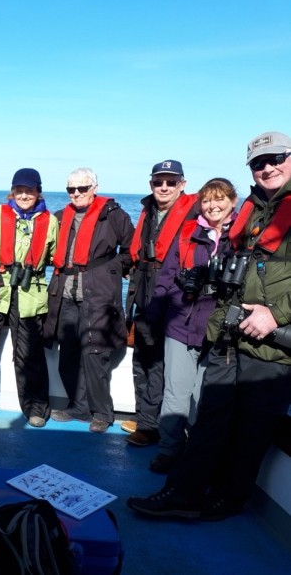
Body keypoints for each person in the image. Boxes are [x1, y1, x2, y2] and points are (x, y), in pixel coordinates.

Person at [127, 131, 291, 521]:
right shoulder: (253, 208)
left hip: (270, 343)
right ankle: (182, 492)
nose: (267, 168)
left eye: (276, 158)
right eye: (257, 163)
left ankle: (227, 499)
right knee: (210, 420)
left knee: (250, 429)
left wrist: (276, 314)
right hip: (229, 334)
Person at [144, 178, 237, 473]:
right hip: (181, 324)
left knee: (203, 397)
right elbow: (168, 275)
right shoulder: (188, 233)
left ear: (233, 201)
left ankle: (197, 455)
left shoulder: (243, 237)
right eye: (207, 200)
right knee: (176, 392)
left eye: (220, 199)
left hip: (220, 328)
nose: (213, 206)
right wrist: (155, 313)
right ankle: (169, 451)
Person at [45, 168, 134, 433]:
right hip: (66, 293)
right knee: (69, 352)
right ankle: (78, 407)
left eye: (82, 188)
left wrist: (111, 269)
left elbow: (132, 250)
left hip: (98, 293)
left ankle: (103, 413)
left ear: (94, 188)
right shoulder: (60, 217)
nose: (76, 194)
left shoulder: (114, 215)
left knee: (96, 355)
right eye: (71, 189)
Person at [0, 168, 58, 427]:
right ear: (13, 191)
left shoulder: (51, 221)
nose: (24, 195)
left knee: (29, 353)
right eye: (19, 190)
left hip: (30, 293)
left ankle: (35, 406)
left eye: (29, 190)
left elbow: (56, 258)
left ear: (38, 192)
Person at [124, 160, 198, 446]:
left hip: (172, 296)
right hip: (143, 291)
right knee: (141, 360)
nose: (164, 187)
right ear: (151, 184)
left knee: (159, 363)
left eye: (171, 182)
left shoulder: (194, 211)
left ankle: (152, 426)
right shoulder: (149, 210)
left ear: (183, 184)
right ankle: (145, 417)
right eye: (158, 182)